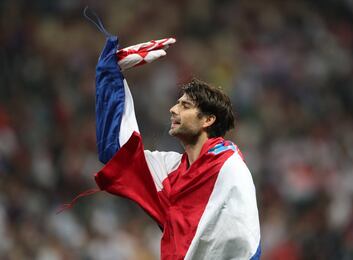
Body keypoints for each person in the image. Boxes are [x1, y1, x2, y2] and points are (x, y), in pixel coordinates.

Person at [93, 35, 261, 260]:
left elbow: (241, 241)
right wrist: (110, 75)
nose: (173, 109)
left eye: (185, 105)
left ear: (207, 120)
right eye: (176, 103)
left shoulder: (228, 165)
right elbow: (117, 153)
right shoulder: (170, 169)